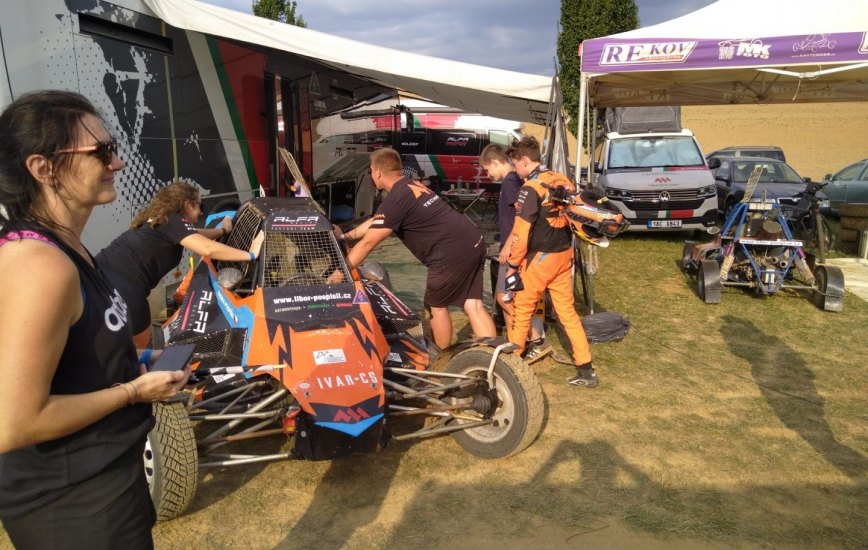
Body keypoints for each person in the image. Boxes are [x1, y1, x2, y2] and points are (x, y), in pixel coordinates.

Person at [0, 90, 189, 547]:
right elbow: (15, 422)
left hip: (107, 485)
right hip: (73, 505)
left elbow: (74, 358)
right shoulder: (38, 265)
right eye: (100, 152)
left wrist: (137, 359)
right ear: (42, 168)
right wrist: (131, 392)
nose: (117, 163)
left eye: (114, 149)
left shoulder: (69, 247)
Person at [327, 147, 496, 350]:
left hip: (450, 253)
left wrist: (341, 272)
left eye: (371, 171)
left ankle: (439, 362)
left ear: (377, 171)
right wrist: (346, 235)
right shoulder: (410, 185)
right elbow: (377, 221)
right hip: (473, 241)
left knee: (436, 307)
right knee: (474, 304)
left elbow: (369, 243)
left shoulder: (396, 199)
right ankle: (494, 359)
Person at [96, 182, 265, 347]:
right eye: (199, 206)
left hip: (100, 275)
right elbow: (207, 248)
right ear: (187, 205)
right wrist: (250, 254)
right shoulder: (174, 221)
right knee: (136, 354)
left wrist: (222, 231)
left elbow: (196, 234)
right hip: (124, 290)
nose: (200, 213)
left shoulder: (162, 219)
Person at [504, 136, 599, 387]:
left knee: (520, 309)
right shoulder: (562, 179)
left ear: (524, 160)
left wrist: (513, 265)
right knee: (567, 312)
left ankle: (509, 372)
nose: (515, 171)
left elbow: (521, 232)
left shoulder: (530, 188)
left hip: (540, 258)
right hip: (564, 254)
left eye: (515, 165)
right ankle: (586, 368)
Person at [479, 144, 549, 363]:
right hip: (517, 247)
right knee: (507, 298)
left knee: (505, 298)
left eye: (487, 170)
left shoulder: (510, 182)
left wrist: (508, 245)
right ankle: (517, 343)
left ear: (495, 162)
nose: (488, 175)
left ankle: (535, 341)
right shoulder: (515, 180)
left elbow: (520, 217)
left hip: (513, 250)